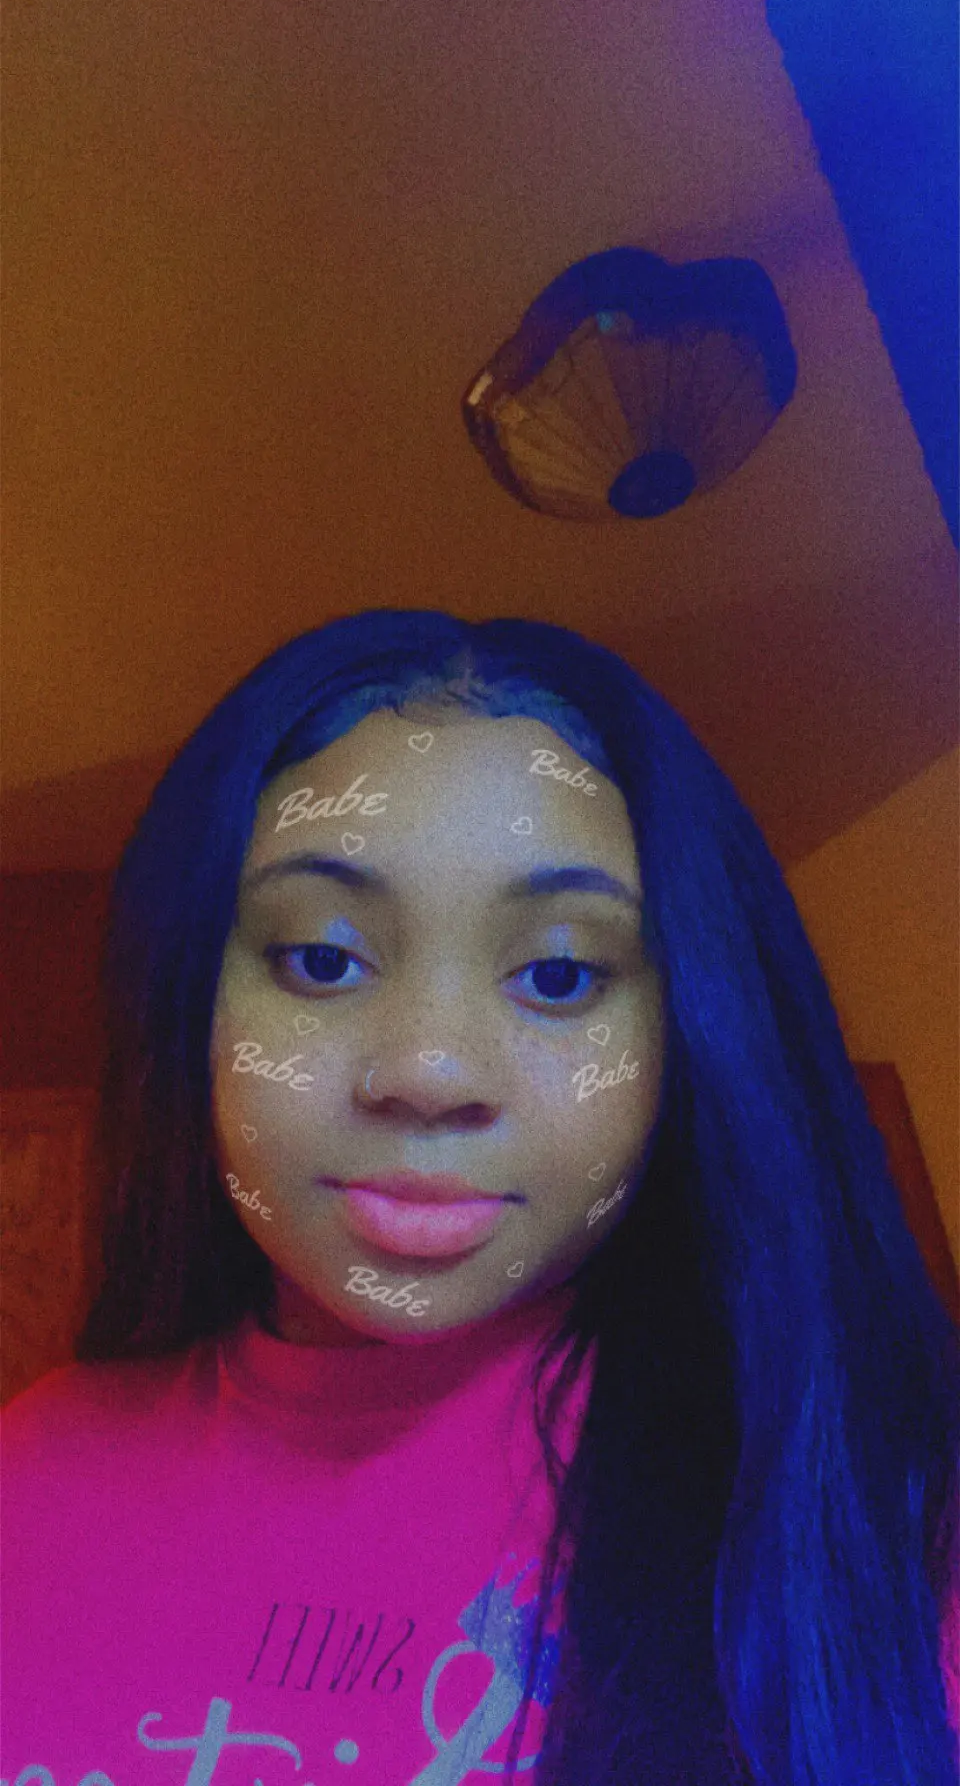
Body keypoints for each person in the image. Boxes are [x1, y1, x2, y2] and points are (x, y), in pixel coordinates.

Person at [2, 608, 958, 1786]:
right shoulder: (32, 1476)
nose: (429, 1071)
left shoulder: (878, 1510)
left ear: (687, 1036)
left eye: (558, 974)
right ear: (184, 1000)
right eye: (321, 959)